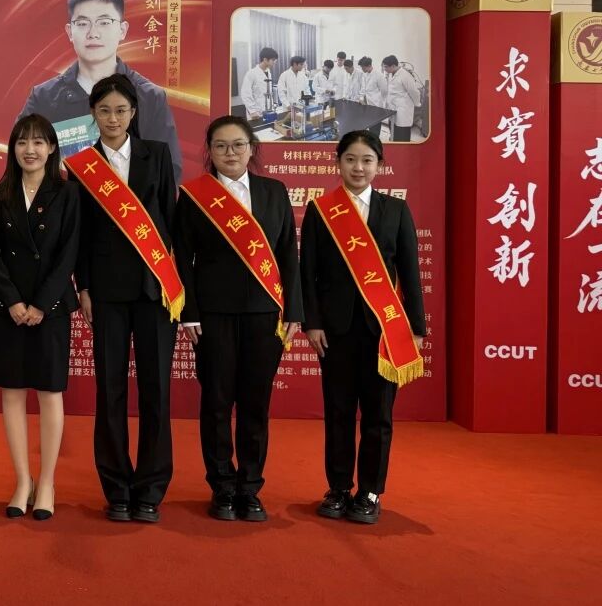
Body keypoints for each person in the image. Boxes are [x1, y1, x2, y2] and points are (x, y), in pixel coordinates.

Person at [176, 116, 302, 522]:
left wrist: (294, 310)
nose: (230, 153)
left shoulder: (273, 191)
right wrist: (189, 314)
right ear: (209, 152)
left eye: (238, 145)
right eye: (220, 146)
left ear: (252, 149)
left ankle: (250, 488)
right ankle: (222, 487)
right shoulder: (194, 196)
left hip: (265, 315)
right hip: (212, 315)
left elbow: (287, 253)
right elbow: (183, 259)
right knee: (216, 402)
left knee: (255, 404)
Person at [301, 131, 426, 525]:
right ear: (338, 162)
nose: (358, 168)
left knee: (378, 414)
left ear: (379, 166)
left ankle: (370, 491)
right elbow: (308, 272)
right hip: (335, 331)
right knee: (338, 411)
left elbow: (410, 272)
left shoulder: (396, 210)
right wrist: (312, 323)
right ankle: (338, 488)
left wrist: (416, 328)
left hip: (384, 331)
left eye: (367, 160)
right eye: (351, 159)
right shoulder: (321, 211)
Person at [71, 74, 179, 524]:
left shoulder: (157, 154)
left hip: (155, 292)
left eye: (120, 110)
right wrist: (84, 287)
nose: (113, 118)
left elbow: (170, 223)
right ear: (93, 114)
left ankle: (150, 490)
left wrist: (174, 286)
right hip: (107, 294)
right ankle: (116, 488)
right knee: (110, 391)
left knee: (156, 392)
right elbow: (79, 234)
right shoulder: (83, 165)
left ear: (133, 113)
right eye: (104, 111)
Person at [0, 114, 80, 522]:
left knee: (49, 392)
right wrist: (12, 301)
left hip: (50, 308)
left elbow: (69, 253)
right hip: (8, 308)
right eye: (22, 142)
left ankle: (47, 483)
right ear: (13, 148)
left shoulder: (68, 193)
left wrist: (40, 304)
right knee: (11, 393)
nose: (30, 150)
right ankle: (22, 480)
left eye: (39, 142)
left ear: (52, 148)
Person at [20, 0, 182, 183]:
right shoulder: (44, 97)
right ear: (69, 31)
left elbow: (169, 171)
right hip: (63, 202)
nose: (93, 33)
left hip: (130, 203)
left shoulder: (150, 97)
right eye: (82, 23)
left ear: (122, 30)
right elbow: (23, 156)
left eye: (104, 22)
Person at [382, 56, 421, 142]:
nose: (384, 69)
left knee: (402, 135)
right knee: (393, 131)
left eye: (386, 67)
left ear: (393, 66)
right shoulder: (391, 74)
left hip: (403, 110)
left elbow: (414, 92)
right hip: (392, 109)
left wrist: (417, 104)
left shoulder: (405, 76)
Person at [240, 47, 278, 119]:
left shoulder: (268, 73)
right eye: (273, 60)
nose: (274, 62)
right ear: (265, 59)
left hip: (268, 110)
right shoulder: (251, 73)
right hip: (255, 113)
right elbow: (245, 93)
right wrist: (252, 111)